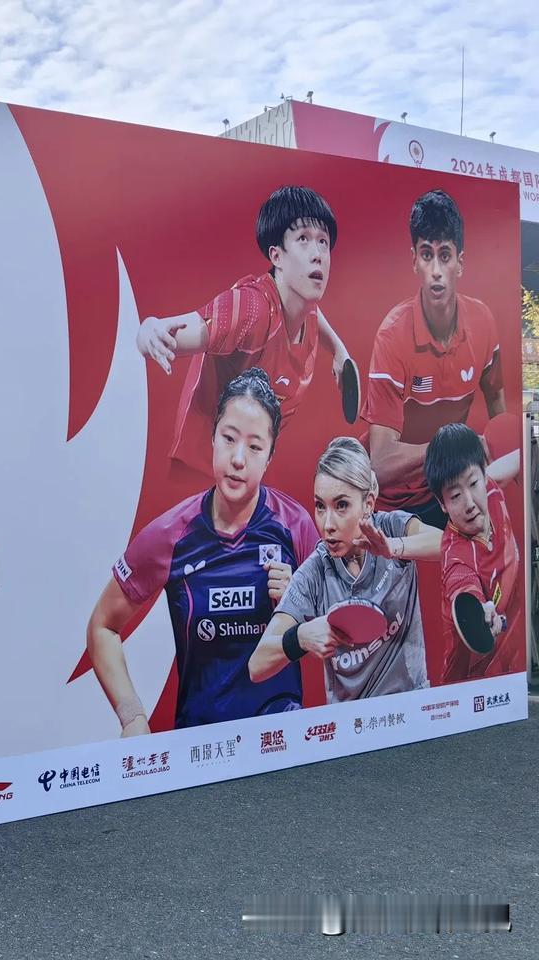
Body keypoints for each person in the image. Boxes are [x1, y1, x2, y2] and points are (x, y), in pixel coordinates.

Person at [87, 368, 319, 734]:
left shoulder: (295, 526)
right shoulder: (171, 534)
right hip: (201, 748)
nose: (238, 458)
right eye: (229, 438)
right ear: (212, 438)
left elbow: (337, 626)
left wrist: (299, 603)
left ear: (269, 456)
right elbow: (102, 626)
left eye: (255, 446)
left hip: (279, 742)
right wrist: (132, 716)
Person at [136, 185, 353, 480]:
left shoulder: (305, 305)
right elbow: (177, 331)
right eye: (303, 239)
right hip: (201, 475)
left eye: (323, 241)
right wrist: (149, 329)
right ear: (276, 255)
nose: (317, 255)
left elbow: (316, 315)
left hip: (248, 472)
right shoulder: (250, 309)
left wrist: (339, 350)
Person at [248, 437, 441, 702]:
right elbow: (256, 666)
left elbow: (446, 544)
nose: (328, 524)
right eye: (320, 506)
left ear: (368, 504)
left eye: (341, 505)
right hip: (350, 720)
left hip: (411, 707)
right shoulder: (315, 571)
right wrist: (300, 637)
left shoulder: (392, 528)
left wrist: (393, 548)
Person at [362, 189, 505, 525]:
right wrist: (450, 448)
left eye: (445, 255)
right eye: (427, 255)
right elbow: (380, 463)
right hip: (393, 503)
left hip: (450, 492)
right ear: (414, 260)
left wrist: (499, 455)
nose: (436, 270)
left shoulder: (483, 321)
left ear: (460, 263)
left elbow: (498, 401)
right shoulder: (392, 335)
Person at [423, 422, 525, 682]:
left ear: (484, 475)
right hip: (472, 684)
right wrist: (482, 613)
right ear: (442, 504)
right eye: (455, 496)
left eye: (473, 483)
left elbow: (521, 457)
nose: (469, 503)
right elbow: (462, 588)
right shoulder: (457, 556)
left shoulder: (490, 491)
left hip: (514, 665)